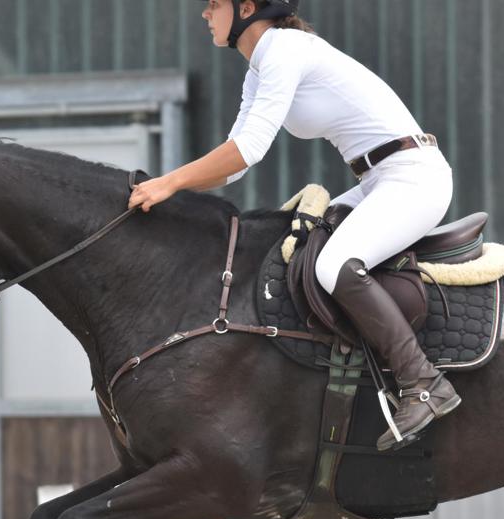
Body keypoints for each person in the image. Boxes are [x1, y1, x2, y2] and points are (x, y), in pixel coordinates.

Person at [128, 0, 459, 451]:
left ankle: (423, 382)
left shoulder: (282, 48)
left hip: (413, 177)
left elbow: (248, 150)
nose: (205, 13)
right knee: (295, 249)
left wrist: (170, 182)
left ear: (247, 7)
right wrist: (173, 191)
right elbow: (235, 165)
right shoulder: (260, 65)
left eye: (213, 4)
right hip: (379, 178)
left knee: (334, 265)